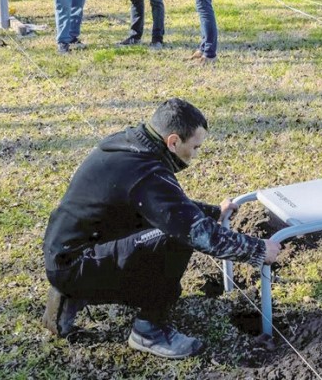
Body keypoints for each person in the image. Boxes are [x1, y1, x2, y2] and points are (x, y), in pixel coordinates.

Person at [41, 98, 282, 358]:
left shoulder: (128, 145)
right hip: (76, 264)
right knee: (176, 237)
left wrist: (214, 212)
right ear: (173, 141)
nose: (196, 154)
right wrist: (258, 250)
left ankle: (73, 291)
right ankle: (148, 330)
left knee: (170, 224)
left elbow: (163, 205)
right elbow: (194, 231)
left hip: (67, 252)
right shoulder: (145, 172)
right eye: (195, 147)